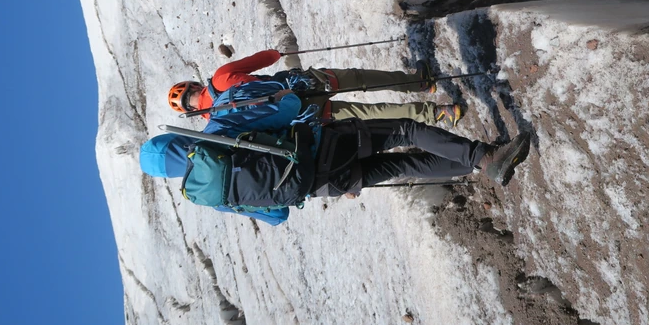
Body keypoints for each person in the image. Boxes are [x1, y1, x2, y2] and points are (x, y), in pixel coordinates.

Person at [140, 91, 531, 226]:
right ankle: (486, 158)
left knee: (404, 166)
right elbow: (285, 108)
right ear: (170, 141)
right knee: (405, 131)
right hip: (322, 144)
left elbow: (277, 215)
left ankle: (477, 166)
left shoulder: (207, 195)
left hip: (322, 185)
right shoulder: (212, 136)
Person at [168, 49, 463, 127]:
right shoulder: (221, 76)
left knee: (371, 114)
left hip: (305, 112)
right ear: (193, 85)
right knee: (359, 79)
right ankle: (419, 83)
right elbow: (266, 58)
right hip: (304, 83)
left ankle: (438, 113)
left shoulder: (219, 123)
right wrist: (275, 55)